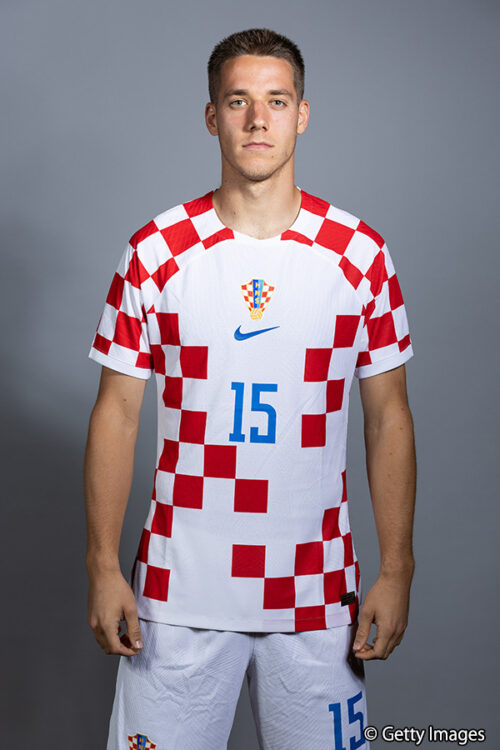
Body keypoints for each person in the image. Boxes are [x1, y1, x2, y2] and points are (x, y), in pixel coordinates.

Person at [84, 27, 416, 750]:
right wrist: (103, 565)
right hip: (175, 598)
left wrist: (397, 568)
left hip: (317, 596)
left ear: (303, 114)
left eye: (276, 100)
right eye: (238, 101)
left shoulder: (359, 254)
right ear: (213, 117)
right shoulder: (156, 251)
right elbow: (117, 414)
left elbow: (388, 417)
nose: (257, 119)